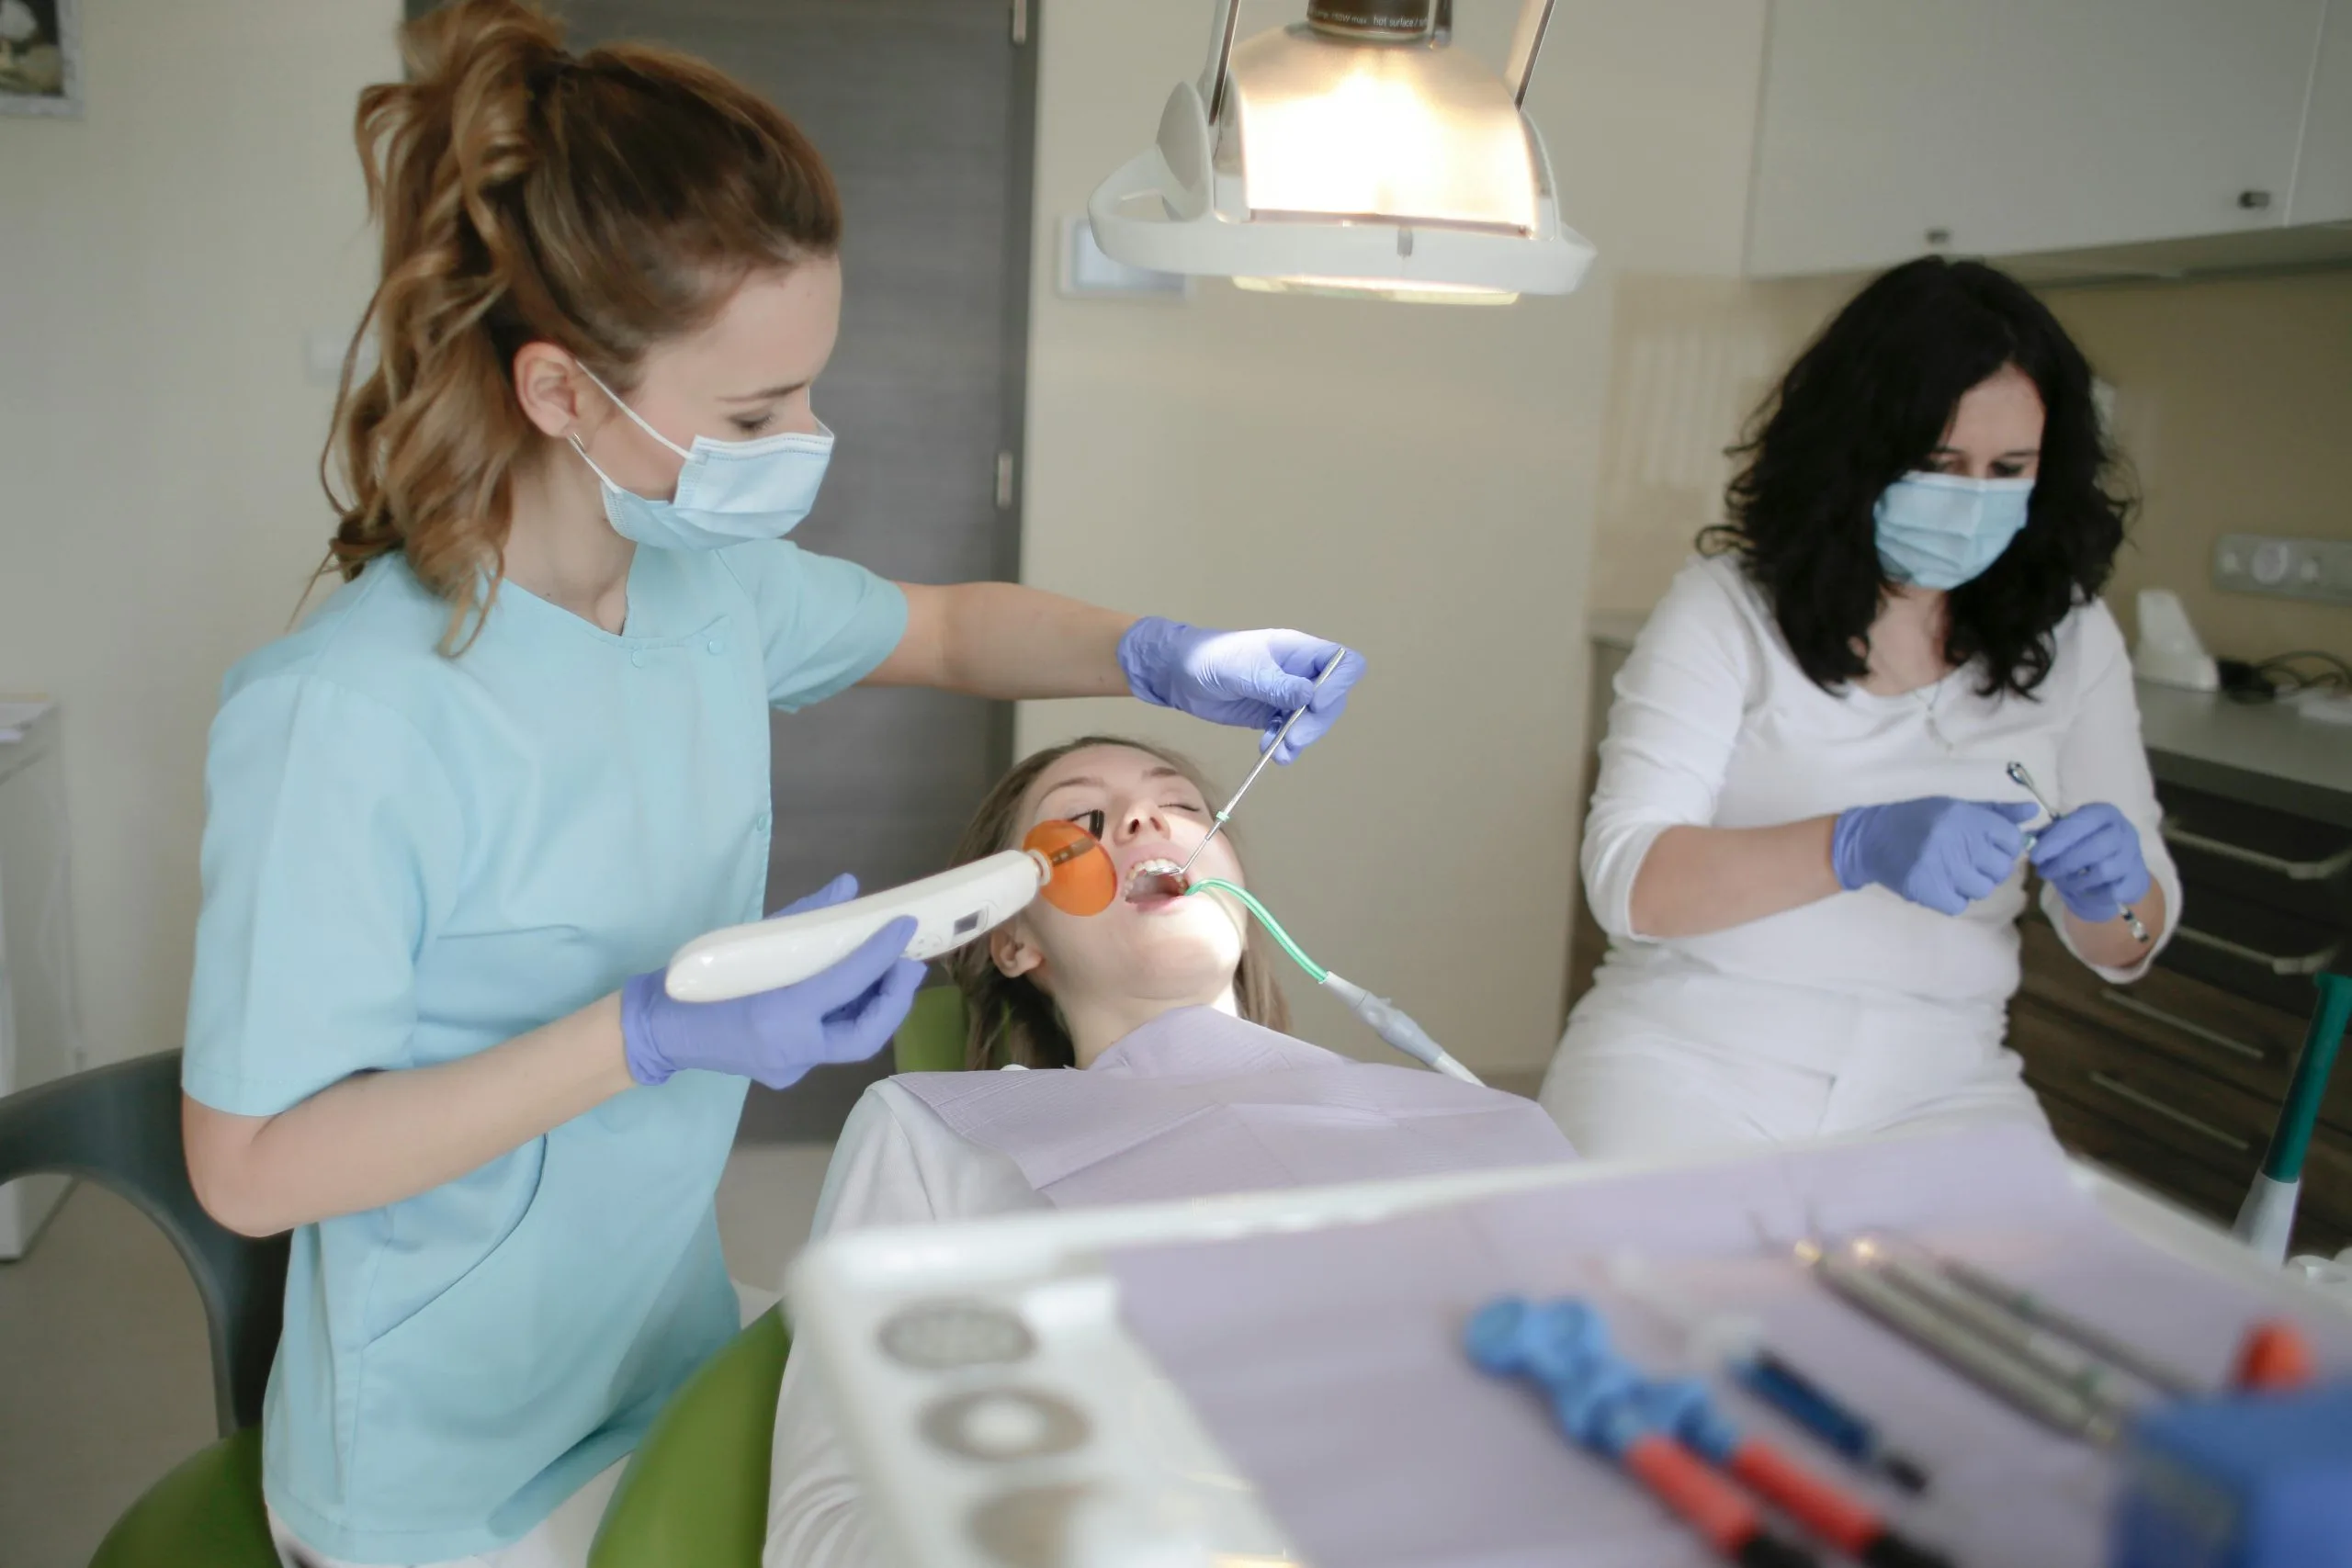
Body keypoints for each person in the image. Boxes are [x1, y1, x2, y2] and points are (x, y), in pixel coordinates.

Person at [175, 7, 1366, 1567]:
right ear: (560, 394)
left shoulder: (705, 593)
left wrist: (1157, 653)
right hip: (443, 1464)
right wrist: (648, 1031)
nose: (806, 439)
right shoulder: (349, 713)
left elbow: (943, 628)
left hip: (652, 1344)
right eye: (752, 415)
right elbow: (253, 1167)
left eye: (806, 389)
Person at [763, 738, 1574, 1566]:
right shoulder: (937, 1130)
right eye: (1083, 817)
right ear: (1013, 939)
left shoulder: (1467, 1116)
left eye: (1183, 805)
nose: (1144, 817)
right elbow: (824, 1525)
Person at [1541, 256, 2178, 1161]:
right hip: (1690, 1059)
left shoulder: (2072, 636)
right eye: (1937, 462)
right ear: (1857, 451)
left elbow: (2129, 942)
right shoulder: (1727, 606)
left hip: (1945, 1084)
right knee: (1654, 1291)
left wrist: (2113, 894)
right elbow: (1628, 879)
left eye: (2008, 469)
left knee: (2015, 1298)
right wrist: (1854, 845)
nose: (1971, 499)